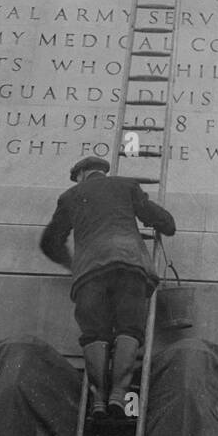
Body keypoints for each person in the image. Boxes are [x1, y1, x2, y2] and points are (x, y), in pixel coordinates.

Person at [39, 157, 176, 419]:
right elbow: (166, 223)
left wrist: (73, 264)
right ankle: (119, 395)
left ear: (80, 174)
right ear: (102, 172)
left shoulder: (70, 196)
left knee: (94, 334)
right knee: (129, 329)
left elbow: (49, 242)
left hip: (90, 273)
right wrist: (160, 223)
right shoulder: (126, 186)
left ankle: (99, 399)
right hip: (129, 266)